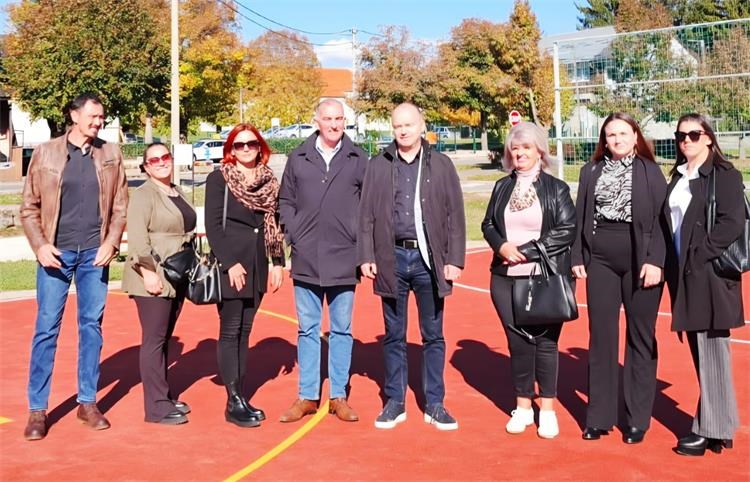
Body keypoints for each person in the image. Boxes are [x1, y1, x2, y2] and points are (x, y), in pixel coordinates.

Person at [19, 93, 128, 440]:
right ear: (74, 115)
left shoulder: (110, 154)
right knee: (46, 329)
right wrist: (40, 245)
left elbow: (120, 206)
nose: (98, 122)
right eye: (93, 116)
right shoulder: (46, 153)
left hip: (94, 255)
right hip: (56, 254)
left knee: (91, 328)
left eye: (102, 117)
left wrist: (111, 242)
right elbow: (28, 207)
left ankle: (87, 403)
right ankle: (38, 410)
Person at [358, 102, 466, 431]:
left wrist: (454, 259)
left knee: (433, 334)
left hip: (428, 261)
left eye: (408, 124)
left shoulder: (441, 164)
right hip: (391, 258)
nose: (402, 131)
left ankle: (435, 403)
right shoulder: (378, 164)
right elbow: (366, 214)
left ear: (421, 126)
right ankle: (395, 401)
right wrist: (367, 256)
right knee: (394, 335)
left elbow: (455, 215)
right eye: (397, 126)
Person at [571, 112, 667, 444]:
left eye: (623, 133)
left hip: (641, 261)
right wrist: (577, 256)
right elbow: (581, 215)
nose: (617, 139)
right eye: (611, 135)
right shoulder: (591, 171)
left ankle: (637, 419)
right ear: (604, 140)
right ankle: (599, 418)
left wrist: (655, 261)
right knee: (601, 337)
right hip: (601, 260)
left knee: (640, 337)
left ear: (636, 136)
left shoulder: (650, 171)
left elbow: (663, 221)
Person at [481, 122, 576, 439]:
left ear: (539, 151)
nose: (519, 153)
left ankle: (547, 410)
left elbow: (566, 230)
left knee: (546, 344)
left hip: (544, 277)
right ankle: (522, 407)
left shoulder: (556, 188)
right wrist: (501, 246)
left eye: (526, 147)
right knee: (518, 343)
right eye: (515, 148)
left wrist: (526, 251)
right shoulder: (501, 187)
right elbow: (488, 224)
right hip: (505, 278)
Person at [278, 99, 369, 423]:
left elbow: (369, 206)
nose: (333, 124)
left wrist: (360, 242)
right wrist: (295, 233)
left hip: (345, 256)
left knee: (342, 330)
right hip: (307, 258)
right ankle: (307, 396)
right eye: (328, 118)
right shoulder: (298, 157)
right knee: (308, 329)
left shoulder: (358, 158)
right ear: (316, 121)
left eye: (339, 119)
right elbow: (285, 201)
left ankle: (338, 396)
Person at [663, 113, 745, 456]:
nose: (686, 140)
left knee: (712, 351)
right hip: (685, 274)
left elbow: (732, 222)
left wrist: (700, 255)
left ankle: (711, 429)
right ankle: (719, 424)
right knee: (703, 351)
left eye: (694, 134)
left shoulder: (724, 174)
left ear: (708, 137)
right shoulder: (679, 175)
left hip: (709, 273)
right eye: (680, 135)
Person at [205, 124, 285, 428]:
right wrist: (230, 263)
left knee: (245, 331)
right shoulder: (219, 178)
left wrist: (277, 262)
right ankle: (233, 400)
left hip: (258, 264)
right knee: (230, 330)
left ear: (260, 146)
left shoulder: (269, 180)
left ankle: (240, 395)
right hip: (233, 266)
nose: (246, 149)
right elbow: (213, 226)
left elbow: (274, 224)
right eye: (239, 145)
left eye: (251, 143)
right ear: (231, 150)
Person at [121, 143, 196, 425]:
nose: (161, 162)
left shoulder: (177, 191)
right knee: (154, 341)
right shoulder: (143, 195)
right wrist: (148, 272)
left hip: (177, 273)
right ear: (146, 167)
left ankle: (163, 396)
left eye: (165, 157)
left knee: (163, 338)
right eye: (154, 160)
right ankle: (155, 407)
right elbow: (138, 239)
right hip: (153, 275)